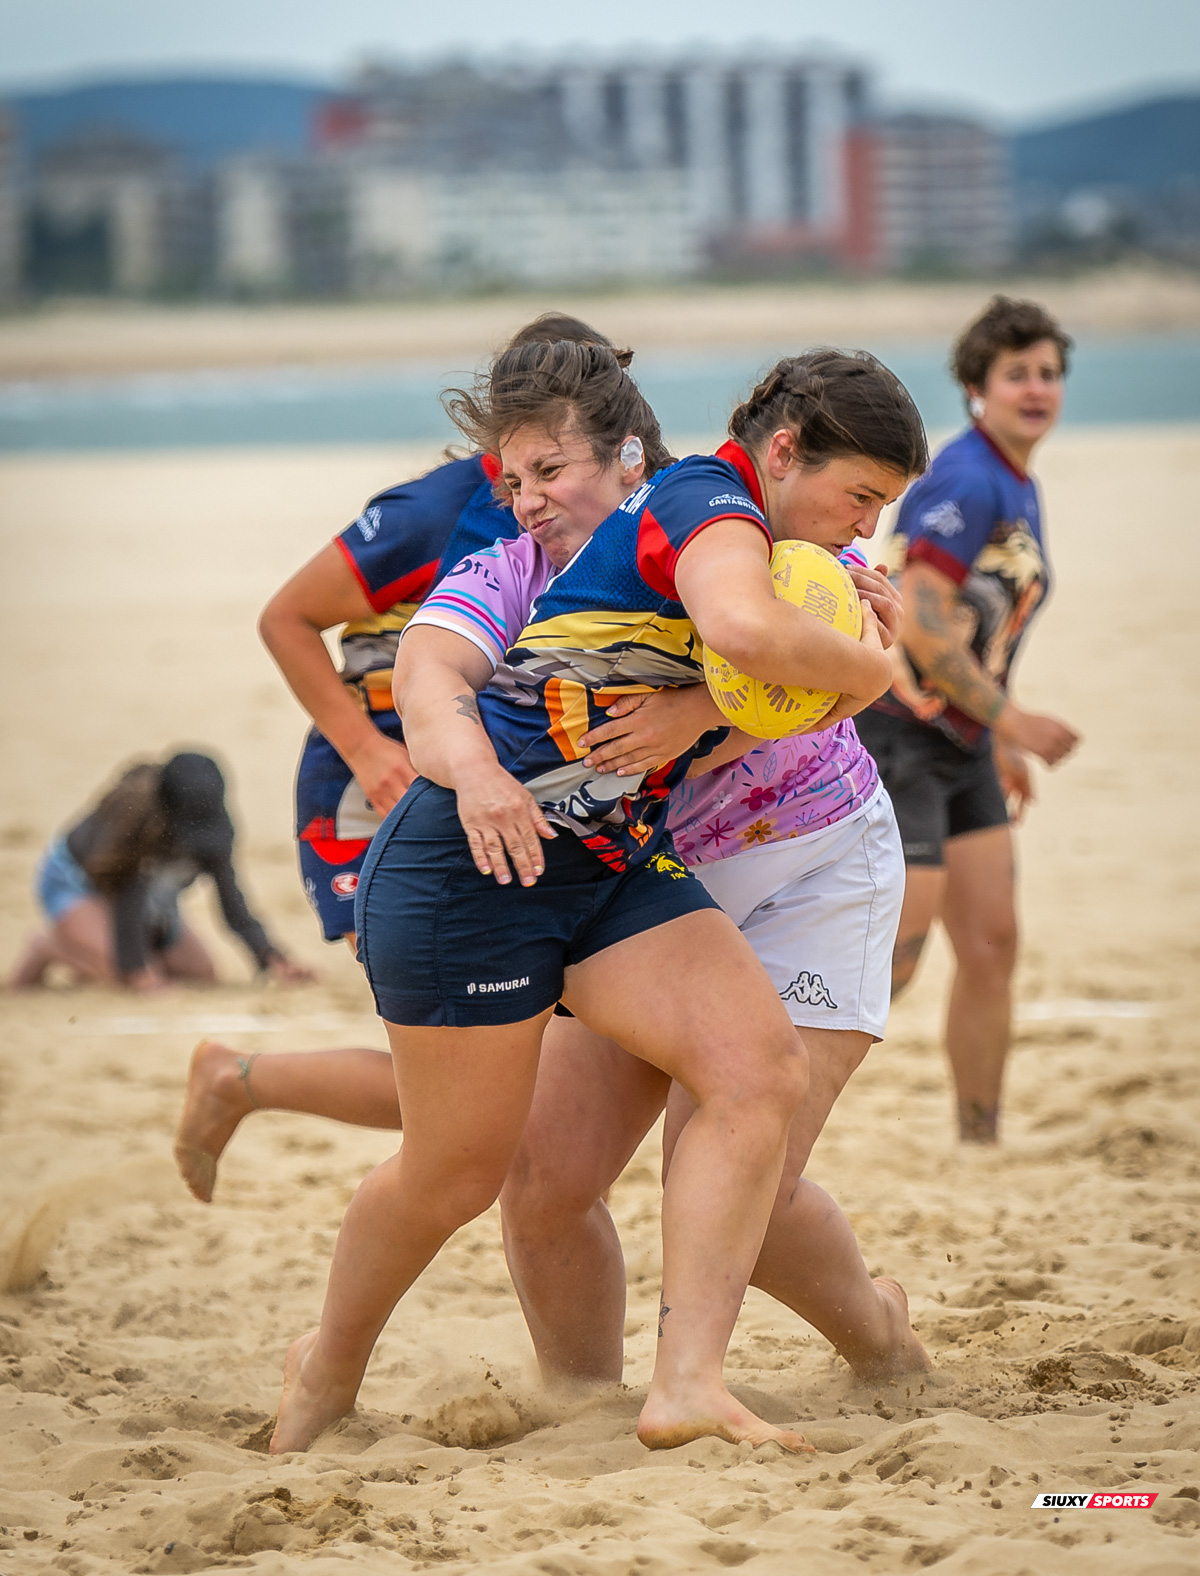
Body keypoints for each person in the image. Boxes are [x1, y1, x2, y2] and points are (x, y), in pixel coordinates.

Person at [176, 352, 932, 1392]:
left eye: (550, 470)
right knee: (537, 1172)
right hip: (629, 875)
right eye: (511, 478)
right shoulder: (507, 572)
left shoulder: (745, 538)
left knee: (742, 1174)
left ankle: (877, 1346)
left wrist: (706, 709)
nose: (527, 500)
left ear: (630, 460)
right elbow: (430, 682)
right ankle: (583, 1406)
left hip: (808, 858)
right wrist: (468, 773)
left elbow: (784, 674)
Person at [258, 313, 616, 950]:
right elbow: (285, 619)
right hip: (375, 771)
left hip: (496, 771)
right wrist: (367, 753)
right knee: (416, 987)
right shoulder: (432, 514)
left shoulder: (620, 504)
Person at [855, 296, 1081, 1143]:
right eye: (1017, 374)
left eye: (1048, 373)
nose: (1037, 389)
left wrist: (994, 734)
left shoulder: (1016, 479)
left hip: (965, 743)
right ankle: (758, 1106)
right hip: (900, 734)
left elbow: (986, 630)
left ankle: (979, 1140)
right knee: (894, 960)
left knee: (991, 943)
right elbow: (920, 624)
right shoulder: (965, 477)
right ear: (976, 388)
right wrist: (1014, 721)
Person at [7, 752, 310, 992]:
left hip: (152, 900)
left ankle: (92, 950)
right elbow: (127, 894)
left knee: (200, 975)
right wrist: (137, 970)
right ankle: (50, 946)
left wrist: (270, 957)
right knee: (123, 973)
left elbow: (231, 899)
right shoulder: (136, 820)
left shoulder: (213, 824)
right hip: (80, 885)